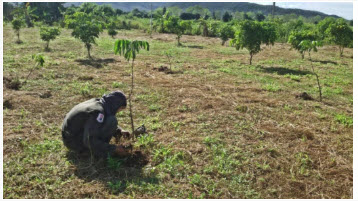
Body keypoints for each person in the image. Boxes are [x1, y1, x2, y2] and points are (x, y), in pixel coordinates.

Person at [61, 91, 131, 158]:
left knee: (110, 120)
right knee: (112, 121)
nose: (118, 111)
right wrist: (114, 149)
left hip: (71, 136)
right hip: (73, 142)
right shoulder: (97, 112)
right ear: (115, 105)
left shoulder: (99, 103)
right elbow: (89, 140)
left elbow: (95, 123)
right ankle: (95, 152)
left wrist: (119, 131)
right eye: (120, 109)